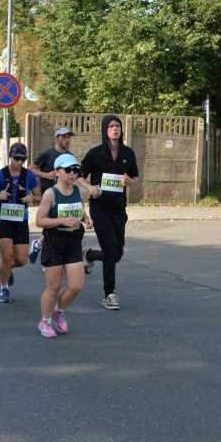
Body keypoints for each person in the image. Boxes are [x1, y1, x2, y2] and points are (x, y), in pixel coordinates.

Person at [78, 114, 140, 310]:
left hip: (118, 209)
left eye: (118, 126)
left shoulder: (128, 153)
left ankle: (90, 255)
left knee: (117, 253)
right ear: (105, 130)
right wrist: (89, 188)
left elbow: (136, 176)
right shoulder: (95, 153)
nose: (115, 129)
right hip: (100, 208)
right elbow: (79, 176)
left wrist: (131, 182)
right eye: (111, 126)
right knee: (111, 251)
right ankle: (109, 294)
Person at [34, 153, 92, 337]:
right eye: (68, 170)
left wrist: (87, 219)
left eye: (75, 170)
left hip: (74, 241)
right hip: (54, 241)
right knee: (54, 287)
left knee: (76, 285)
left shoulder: (79, 191)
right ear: (57, 172)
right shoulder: (51, 193)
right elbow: (40, 221)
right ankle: (45, 320)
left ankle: (58, 310)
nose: (72, 173)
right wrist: (63, 221)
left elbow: (80, 211)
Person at [0, 142, 40, 302]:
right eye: (16, 158)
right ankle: (3, 289)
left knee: (21, 260)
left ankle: (7, 269)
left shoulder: (28, 175)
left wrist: (32, 198)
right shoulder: (0, 175)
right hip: (2, 219)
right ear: (10, 156)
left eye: (23, 159)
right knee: (7, 256)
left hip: (20, 219)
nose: (20, 162)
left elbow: (39, 197)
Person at [27, 127, 74, 263]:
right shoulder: (47, 154)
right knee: (51, 229)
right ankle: (49, 261)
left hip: (63, 196)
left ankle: (38, 245)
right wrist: (46, 175)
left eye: (68, 137)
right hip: (48, 196)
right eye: (63, 137)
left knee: (56, 229)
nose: (67, 140)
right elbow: (31, 169)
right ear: (56, 139)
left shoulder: (70, 156)